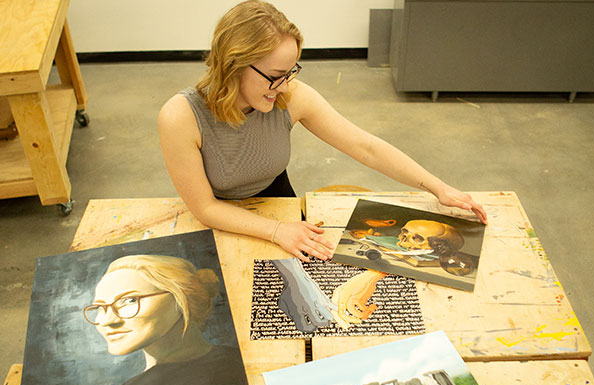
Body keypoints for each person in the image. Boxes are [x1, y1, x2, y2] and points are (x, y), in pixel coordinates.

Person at [158, 0, 487, 264]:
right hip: (222, 221)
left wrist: (437, 187)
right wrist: (276, 231)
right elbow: (204, 209)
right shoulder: (180, 116)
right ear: (232, 65)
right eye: (276, 75)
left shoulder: (289, 94)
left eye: (291, 71)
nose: (285, 85)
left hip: (278, 206)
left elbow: (365, 146)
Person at [83, 254, 255, 385]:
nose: (107, 321)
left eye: (129, 300)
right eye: (99, 308)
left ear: (181, 297)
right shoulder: (239, 359)